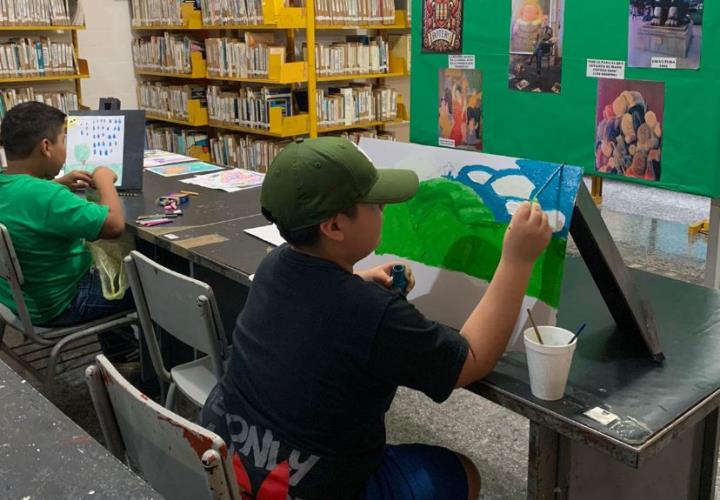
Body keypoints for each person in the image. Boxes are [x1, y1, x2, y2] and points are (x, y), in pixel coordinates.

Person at [200, 136, 551, 499]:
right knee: (462, 474)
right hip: (312, 487)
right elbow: (472, 359)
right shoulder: (371, 312)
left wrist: (359, 280)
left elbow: (319, 302)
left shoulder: (275, 265)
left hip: (230, 462)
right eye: (375, 203)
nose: (383, 206)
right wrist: (517, 260)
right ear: (334, 227)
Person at [0, 102, 134, 355]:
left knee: (104, 266)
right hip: (62, 304)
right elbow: (114, 225)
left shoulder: (11, 183)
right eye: (64, 139)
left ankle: (120, 351)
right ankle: (133, 362)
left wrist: (57, 182)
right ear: (46, 147)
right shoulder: (47, 197)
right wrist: (105, 181)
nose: (67, 147)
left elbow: (28, 198)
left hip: (15, 299)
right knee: (145, 282)